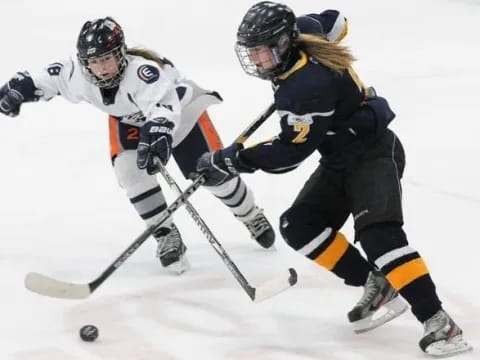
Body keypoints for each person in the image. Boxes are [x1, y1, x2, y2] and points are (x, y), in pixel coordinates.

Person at [196, 2, 472, 357]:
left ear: (282, 43)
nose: (256, 60)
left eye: (261, 51)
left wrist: (233, 159)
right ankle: (376, 282)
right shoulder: (306, 31)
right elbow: (337, 19)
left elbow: (290, 154)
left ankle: (440, 323)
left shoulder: (306, 86)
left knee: (379, 237)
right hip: (340, 157)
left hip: (372, 153)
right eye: (251, 51)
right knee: (299, 225)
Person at [0, 16, 275, 276]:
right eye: (94, 61)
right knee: (130, 172)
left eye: (107, 58)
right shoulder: (76, 74)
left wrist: (157, 133)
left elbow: (164, 109)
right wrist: (17, 91)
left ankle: (250, 214)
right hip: (131, 120)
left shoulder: (143, 73)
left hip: (183, 114)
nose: (102, 68)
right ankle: (165, 233)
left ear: (120, 53)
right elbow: (40, 80)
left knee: (211, 174)